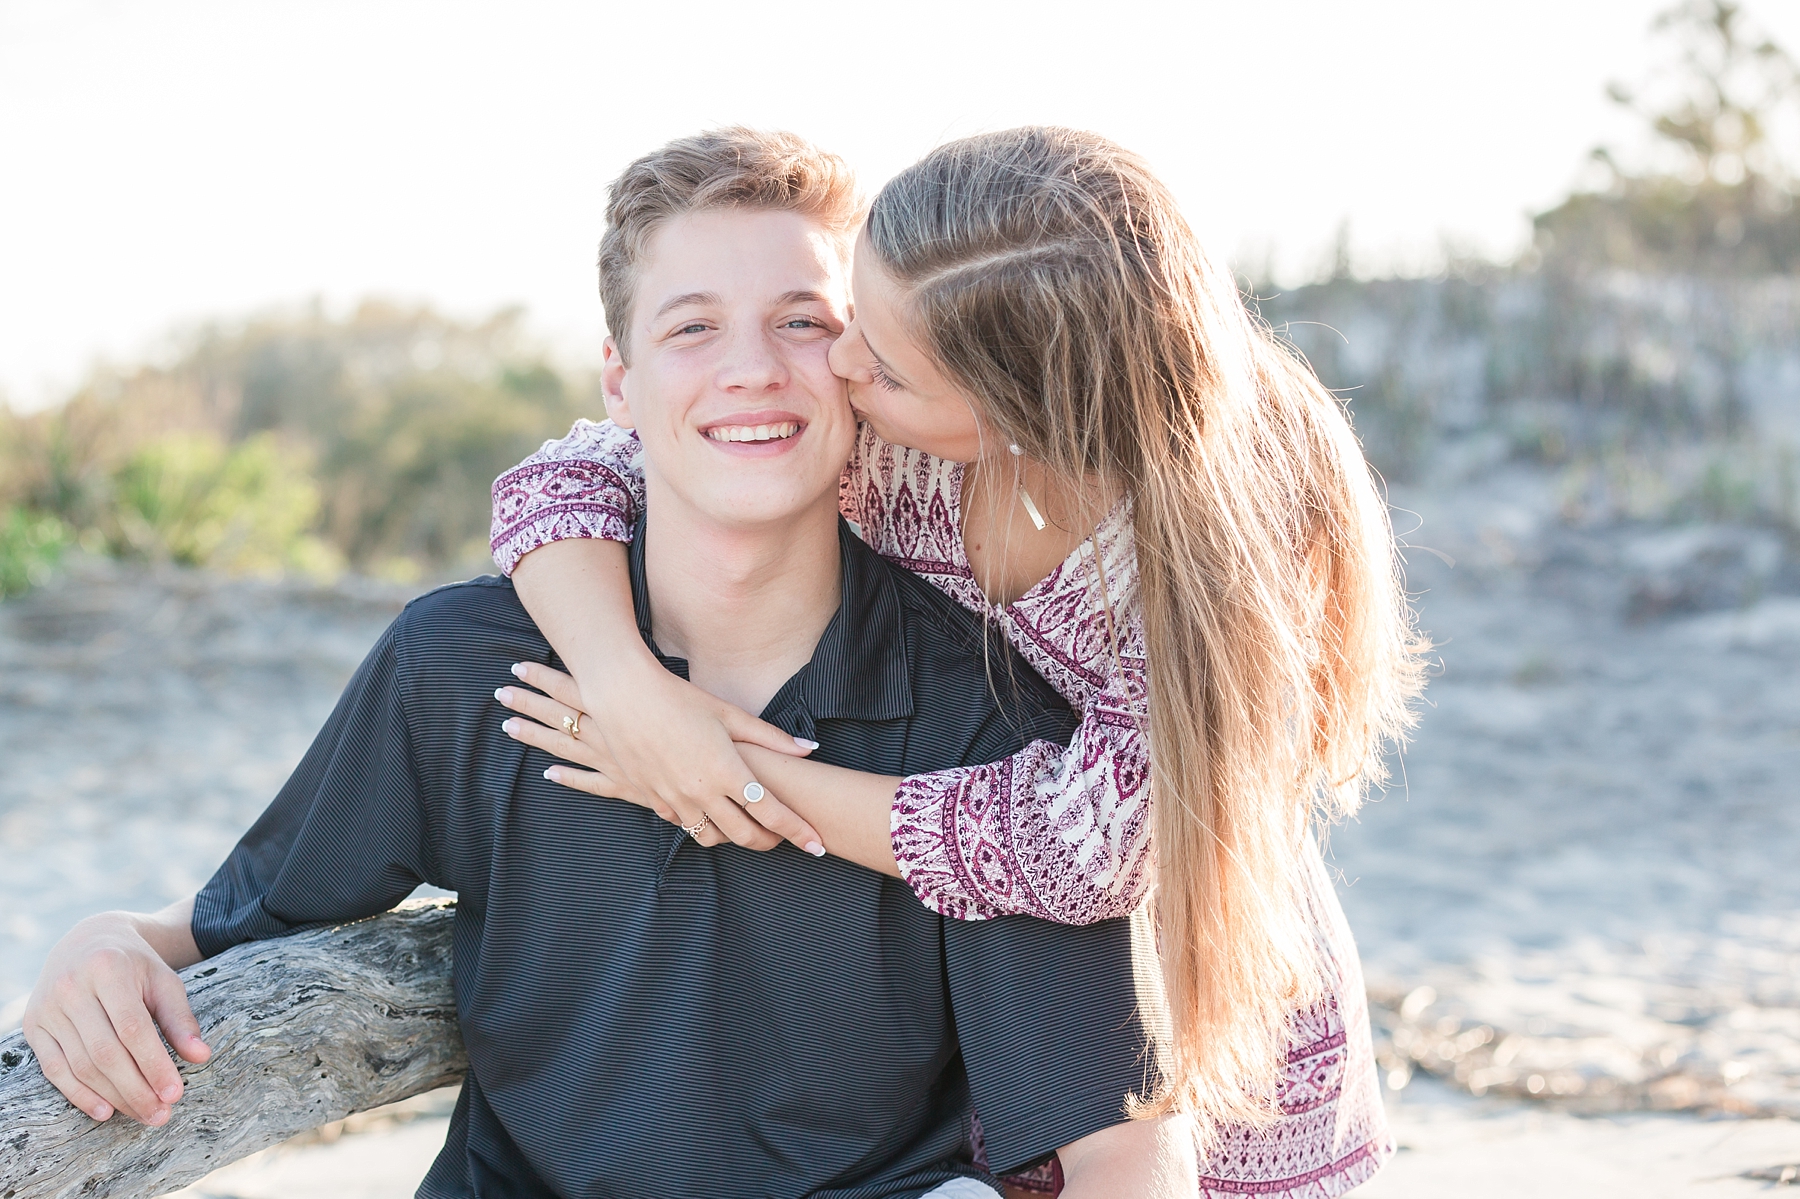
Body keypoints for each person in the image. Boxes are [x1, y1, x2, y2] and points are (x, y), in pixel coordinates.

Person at [21, 130, 1197, 1199]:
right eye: (692, 327)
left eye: (802, 320)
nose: (752, 369)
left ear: (861, 364)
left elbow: (1121, 1151)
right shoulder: (465, 664)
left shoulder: (994, 720)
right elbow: (225, 920)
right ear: (618, 385)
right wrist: (101, 943)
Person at [490, 126, 1427, 1195]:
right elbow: (572, 472)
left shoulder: (1202, 555)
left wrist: (732, 775)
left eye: (882, 365)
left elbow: (1086, 848)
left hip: (1204, 1023)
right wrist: (631, 690)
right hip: (996, 1013)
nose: (840, 366)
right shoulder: (899, 449)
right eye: (854, 322)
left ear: (1016, 412)